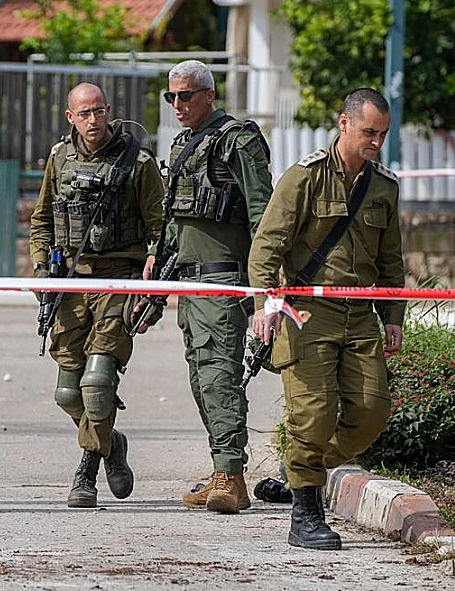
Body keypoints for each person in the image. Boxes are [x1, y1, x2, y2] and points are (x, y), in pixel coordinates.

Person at [249, 88, 404, 550]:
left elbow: (391, 261)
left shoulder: (384, 186)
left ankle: (298, 469)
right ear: (343, 124)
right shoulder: (304, 178)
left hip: (360, 318)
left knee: (370, 415)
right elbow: (267, 246)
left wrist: (392, 316)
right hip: (306, 314)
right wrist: (265, 304)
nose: (376, 141)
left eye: (383, 134)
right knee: (312, 415)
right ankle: (305, 514)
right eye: (368, 132)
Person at [29, 83, 165, 508]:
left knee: (98, 382)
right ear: (70, 117)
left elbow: (161, 228)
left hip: (117, 282)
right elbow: (42, 220)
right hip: (70, 282)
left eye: (99, 111)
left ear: (109, 112)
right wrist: (41, 271)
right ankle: (112, 442)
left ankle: (85, 471)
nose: (93, 120)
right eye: (84, 114)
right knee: (68, 393)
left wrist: (152, 280)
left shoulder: (138, 163)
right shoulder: (58, 159)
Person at [157, 60, 273, 514]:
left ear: (209, 94)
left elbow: (264, 213)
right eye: (172, 98)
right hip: (189, 279)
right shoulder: (184, 143)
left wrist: (266, 287)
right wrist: (158, 259)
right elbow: (175, 215)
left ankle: (232, 476)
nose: (178, 105)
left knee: (219, 376)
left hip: (224, 278)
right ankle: (223, 468)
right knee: (201, 378)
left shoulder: (237, 141)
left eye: (186, 96)